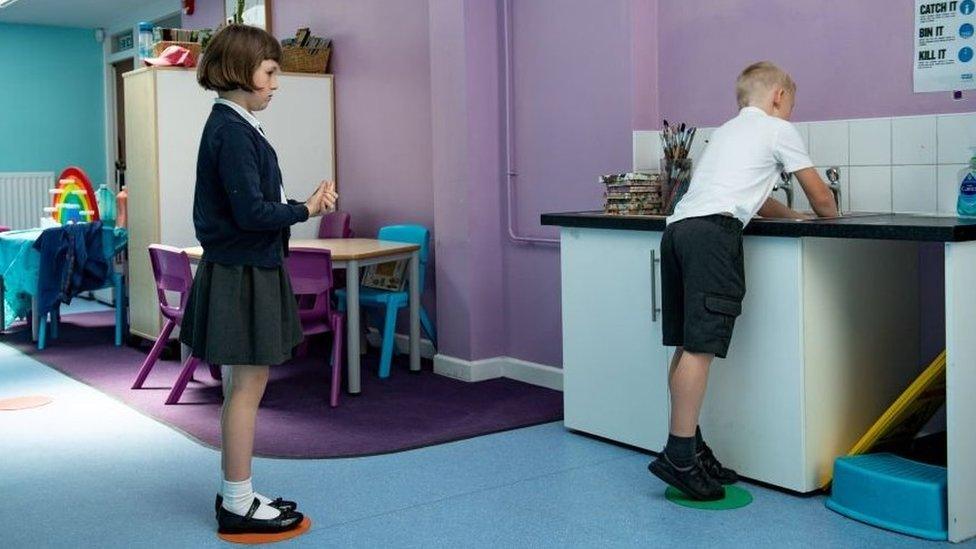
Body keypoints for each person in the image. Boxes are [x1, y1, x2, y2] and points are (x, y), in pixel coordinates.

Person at [648, 61, 838, 500]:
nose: (790, 111)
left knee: (686, 344)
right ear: (778, 97)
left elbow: (753, 195)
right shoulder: (778, 130)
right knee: (701, 347)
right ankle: (678, 456)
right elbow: (819, 193)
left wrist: (791, 215)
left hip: (678, 232)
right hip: (714, 236)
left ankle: (690, 446)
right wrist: (830, 216)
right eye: (791, 102)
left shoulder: (727, 132)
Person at [179, 24, 338, 533]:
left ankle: (239, 495)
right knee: (246, 386)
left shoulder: (234, 125)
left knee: (242, 386)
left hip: (246, 266)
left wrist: (296, 207)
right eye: (270, 72)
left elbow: (248, 207)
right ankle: (236, 503)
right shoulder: (230, 129)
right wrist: (306, 208)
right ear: (242, 70)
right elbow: (251, 212)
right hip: (243, 270)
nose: (275, 83)